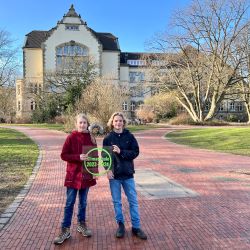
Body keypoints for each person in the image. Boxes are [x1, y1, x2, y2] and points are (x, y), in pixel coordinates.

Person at [54, 113, 98, 245]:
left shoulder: (91, 138)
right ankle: (65, 229)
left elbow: (94, 156)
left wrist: (95, 171)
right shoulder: (71, 137)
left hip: (86, 175)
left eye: (85, 123)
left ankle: (81, 224)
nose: (82, 125)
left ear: (87, 124)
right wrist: (77, 157)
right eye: (80, 123)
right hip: (73, 175)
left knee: (83, 203)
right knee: (69, 203)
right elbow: (64, 155)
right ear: (76, 124)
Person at [103, 112, 147, 240]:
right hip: (115, 176)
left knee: (133, 201)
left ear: (123, 122)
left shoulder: (130, 136)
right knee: (117, 202)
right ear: (112, 122)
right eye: (116, 121)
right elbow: (105, 156)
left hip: (128, 174)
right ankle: (120, 225)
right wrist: (107, 169)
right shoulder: (108, 138)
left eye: (120, 121)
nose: (118, 123)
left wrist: (121, 151)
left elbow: (135, 152)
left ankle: (136, 227)